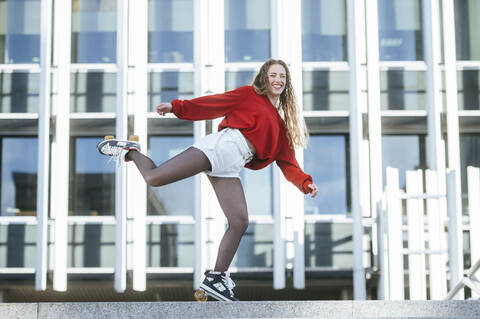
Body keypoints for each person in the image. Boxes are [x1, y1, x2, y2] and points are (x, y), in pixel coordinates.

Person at [112, 59, 318, 301]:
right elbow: (213, 104)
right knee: (155, 178)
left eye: (282, 76)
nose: (278, 80)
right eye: (274, 74)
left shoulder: (281, 127)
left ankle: (216, 278)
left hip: (231, 165)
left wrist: (305, 183)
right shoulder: (249, 95)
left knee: (240, 221)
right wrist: (176, 107)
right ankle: (131, 151)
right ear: (265, 77)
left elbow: (288, 163)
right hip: (221, 147)